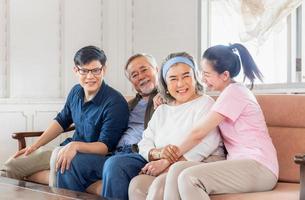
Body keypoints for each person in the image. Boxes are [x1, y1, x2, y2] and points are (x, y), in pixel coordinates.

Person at [2, 46, 129, 189]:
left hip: (90, 159)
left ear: (104, 70)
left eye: (95, 70)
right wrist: (35, 145)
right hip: (65, 150)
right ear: (76, 70)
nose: (90, 76)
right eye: (84, 71)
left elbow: (105, 147)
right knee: (12, 165)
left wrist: (75, 146)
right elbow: (62, 121)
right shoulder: (76, 92)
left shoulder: (115, 103)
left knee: (15, 167)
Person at [102, 52, 225, 200]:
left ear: (195, 77)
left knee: (158, 187)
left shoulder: (205, 103)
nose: (180, 84)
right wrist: (157, 154)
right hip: (164, 164)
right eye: (173, 79)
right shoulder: (162, 110)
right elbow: (145, 142)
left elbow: (206, 145)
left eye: (186, 76)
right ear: (165, 84)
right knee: (137, 185)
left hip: (198, 163)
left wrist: (166, 164)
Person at [163, 44, 278, 200]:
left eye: (206, 74)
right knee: (177, 169)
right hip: (242, 165)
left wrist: (168, 158)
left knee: (189, 177)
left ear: (224, 75)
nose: (202, 78)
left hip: (260, 168)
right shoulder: (227, 94)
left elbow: (199, 133)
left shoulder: (234, 92)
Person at [71, 53, 160, 195]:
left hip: (140, 155)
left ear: (157, 69)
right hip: (115, 153)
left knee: (114, 165)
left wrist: (164, 93)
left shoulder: (167, 99)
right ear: (131, 82)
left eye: (144, 70)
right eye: (134, 75)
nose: (141, 76)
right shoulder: (127, 105)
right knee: (72, 163)